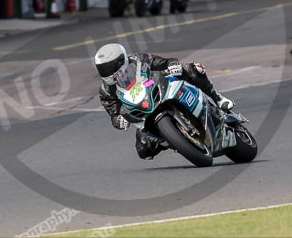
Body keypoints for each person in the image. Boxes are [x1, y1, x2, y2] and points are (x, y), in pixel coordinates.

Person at [95, 43, 234, 160]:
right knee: (143, 151)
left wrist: (173, 65)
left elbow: (163, 62)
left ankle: (218, 98)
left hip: (158, 89)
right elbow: (113, 113)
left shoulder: (138, 59)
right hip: (141, 114)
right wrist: (118, 120)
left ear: (121, 61)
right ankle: (173, 140)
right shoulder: (105, 91)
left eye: (108, 67)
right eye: (102, 69)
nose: (106, 72)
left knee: (193, 69)